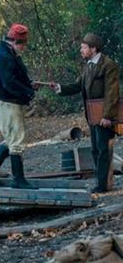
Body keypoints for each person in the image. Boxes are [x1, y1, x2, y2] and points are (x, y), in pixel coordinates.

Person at [51, 33, 119, 193]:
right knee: (96, 149)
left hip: (103, 115)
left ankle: (103, 185)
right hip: (92, 116)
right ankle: (102, 183)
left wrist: (107, 116)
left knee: (103, 149)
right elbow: (77, 86)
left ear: (93, 49)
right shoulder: (88, 66)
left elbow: (112, 92)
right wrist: (59, 88)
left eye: (83, 47)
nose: (81, 50)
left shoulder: (108, 65)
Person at [0, 23, 40, 189]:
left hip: (7, 103)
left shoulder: (7, 54)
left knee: (12, 140)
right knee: (17, 142)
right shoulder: (4, 57)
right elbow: (9, 83)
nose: (24, 48)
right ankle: (18, 180)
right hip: (7, 104)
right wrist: (28, 92)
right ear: (15, 41)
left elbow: (14, 78)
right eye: (23, 44)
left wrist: (29, 85)